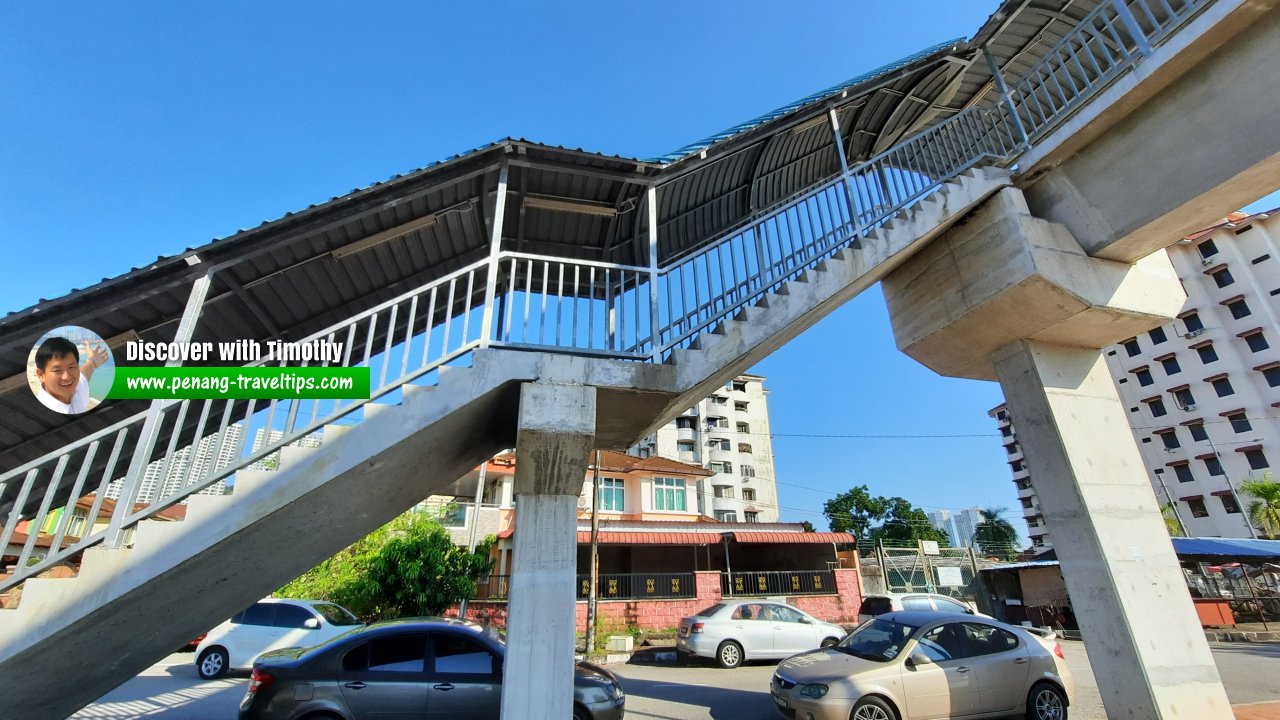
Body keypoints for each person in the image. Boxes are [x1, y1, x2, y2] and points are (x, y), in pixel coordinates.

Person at [33, 337, 108, 415]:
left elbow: (84, 374)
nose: (67, 377)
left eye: (71, 367)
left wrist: (93, 361)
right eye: (57, 370)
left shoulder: (77, 388)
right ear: (41, 375)